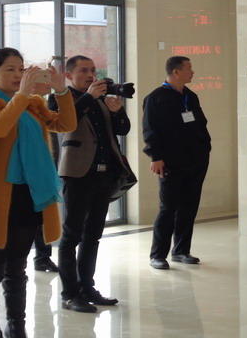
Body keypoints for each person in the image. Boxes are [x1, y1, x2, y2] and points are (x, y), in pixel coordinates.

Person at [0, 47, 75, 338]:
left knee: (16, 269)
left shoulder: (33, 104)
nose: (18, 75)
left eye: (21, 69)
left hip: (29, 196)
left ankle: (16, 331)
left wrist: (61, 90)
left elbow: (66, 124)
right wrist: (23, 95)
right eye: (10, 70)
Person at [48, 55, 131, 313]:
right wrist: (88, 97)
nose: (90, 74)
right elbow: (66, 122)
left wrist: (118, 112)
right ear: (69, 75)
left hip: (104, 174)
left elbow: (122, 129)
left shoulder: (101, 99)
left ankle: (87, 288)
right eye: (83, 70)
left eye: (93, 70)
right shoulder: (60, 98)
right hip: (76, 173)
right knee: (71, 235)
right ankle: (69, 294)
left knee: (93, 235)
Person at [144, 56, 211, 270]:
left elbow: (200, 125)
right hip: (171, 162)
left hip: (196, 160)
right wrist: (155, 157)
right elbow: (150, 129)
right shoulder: (156, 98)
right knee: (168, 209)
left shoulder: (191, 96)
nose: (192, 72)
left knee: (189, 207)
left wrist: (205, 149)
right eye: (189, 68)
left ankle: (181, 251)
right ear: (176, 72)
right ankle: (158, 255)